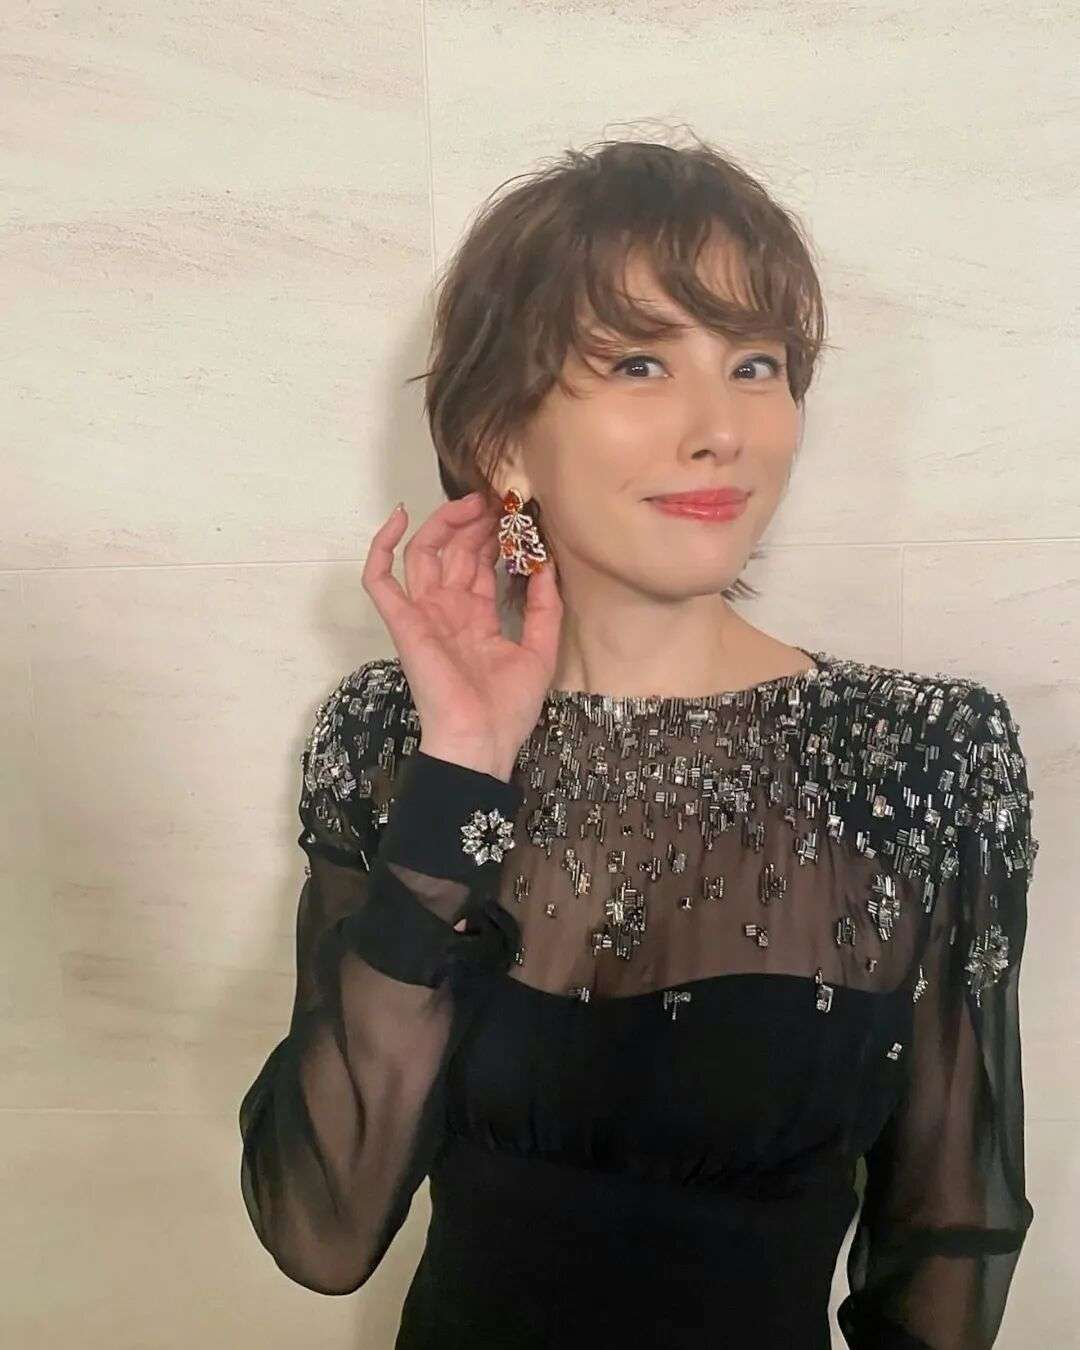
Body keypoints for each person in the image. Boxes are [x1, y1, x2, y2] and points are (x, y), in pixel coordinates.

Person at [237, 134, 1038, 1349]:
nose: (721, 429)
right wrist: (464, 766)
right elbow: (323, 1230)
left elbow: (946, 1235)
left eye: (757, 365)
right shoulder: (392, 739)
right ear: (502, 440)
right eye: (641, 363)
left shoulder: (917, 753)